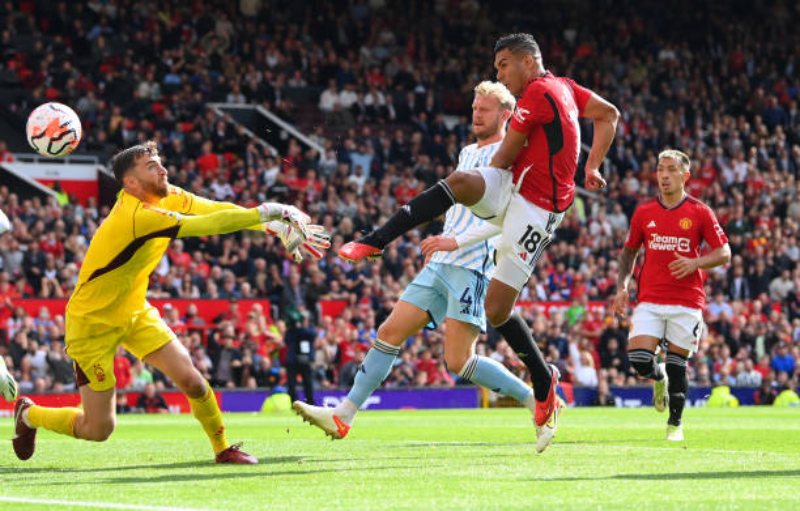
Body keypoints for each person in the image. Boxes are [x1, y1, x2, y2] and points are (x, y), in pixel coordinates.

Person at [338, 33, 619, 441]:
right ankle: (377, 239)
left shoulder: (535, 97)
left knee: (498, 309)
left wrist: (461, 221)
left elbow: (504, 160)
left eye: (504, 65)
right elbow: (609, 114)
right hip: (522, 193)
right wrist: (592, 166)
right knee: (461, 181)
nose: (501, 74)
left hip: (536, 212)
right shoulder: (568, 88)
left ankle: (543, 383)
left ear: (526, 61)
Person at [12, 140, 330, 464]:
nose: (162, 169)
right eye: (152, 167)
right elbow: (206, 226)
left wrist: (267, 225)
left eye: (159, 162)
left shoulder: (165, 195)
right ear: (131, 183)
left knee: (191, 379)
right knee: (98, 428)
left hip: (135, 312)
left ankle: (222, 448)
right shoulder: (137, 216)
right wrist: (268, 212)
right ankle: (30, 414)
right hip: (91, 323)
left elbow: (213, 208)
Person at [295, 81, 556, 452]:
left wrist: (458, 240)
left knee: (458, 361)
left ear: (506, 115)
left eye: (484, 110)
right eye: (474, 108)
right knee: (389, 331)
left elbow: (507, 214)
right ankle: (344, 414)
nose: (476, 115)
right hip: (440, 260)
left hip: (472, 263)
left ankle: (537, 398)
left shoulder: (511, 154)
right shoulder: (467, 152)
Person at [613, 149, 731, 441]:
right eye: (660, 169)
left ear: (685, 176)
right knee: (640, 360)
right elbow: (629, 253)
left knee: (679, 366)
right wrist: (622, 286)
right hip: (650, 299)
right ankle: (657, 376)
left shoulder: (700, 212)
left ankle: (675, 424)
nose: (663, 175)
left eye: (670, 169)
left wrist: (696, 262)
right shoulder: (644, 212)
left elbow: (724, 253)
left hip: (687, 300)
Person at [283, 309, 316, 405]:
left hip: (305, 360)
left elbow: (312, 335)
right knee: (291, 383)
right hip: (293, 360)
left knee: (308, 383)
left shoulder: (309, 329)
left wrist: (301, 327)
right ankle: (294, 403)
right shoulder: (291, 330)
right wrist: (295, 327)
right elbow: (287, 341)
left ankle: (310, 402)